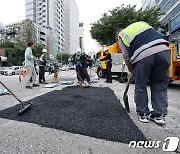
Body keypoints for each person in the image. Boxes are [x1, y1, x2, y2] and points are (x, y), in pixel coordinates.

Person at [116, 21, 170, 125]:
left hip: (143, 56)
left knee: (140, 86)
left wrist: (131, 70)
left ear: (118, 33)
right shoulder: (142, 24)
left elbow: (126, 57)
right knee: (160, 85)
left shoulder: (121, 36)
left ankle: (143, 114)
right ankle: (159, 115)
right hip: (164, 51)